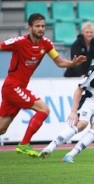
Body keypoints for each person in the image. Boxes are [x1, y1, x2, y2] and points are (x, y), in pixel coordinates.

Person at [0, 13, 87, 157]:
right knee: (44, 109)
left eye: (43, 26)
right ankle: (24, 144)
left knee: (2, 128)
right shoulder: (19, 42)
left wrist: (72, 63)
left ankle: (24, 144)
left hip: (19, 88)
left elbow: (59, 62)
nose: (41, 29)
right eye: (37, 26)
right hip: (12, 86)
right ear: (30, 28)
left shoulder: (46, 44)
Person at [39, 37, 94, 162]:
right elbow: (79, 89)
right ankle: (50, 147)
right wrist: (73, 111)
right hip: (90, 102)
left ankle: (70, 155)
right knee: (81, 124)